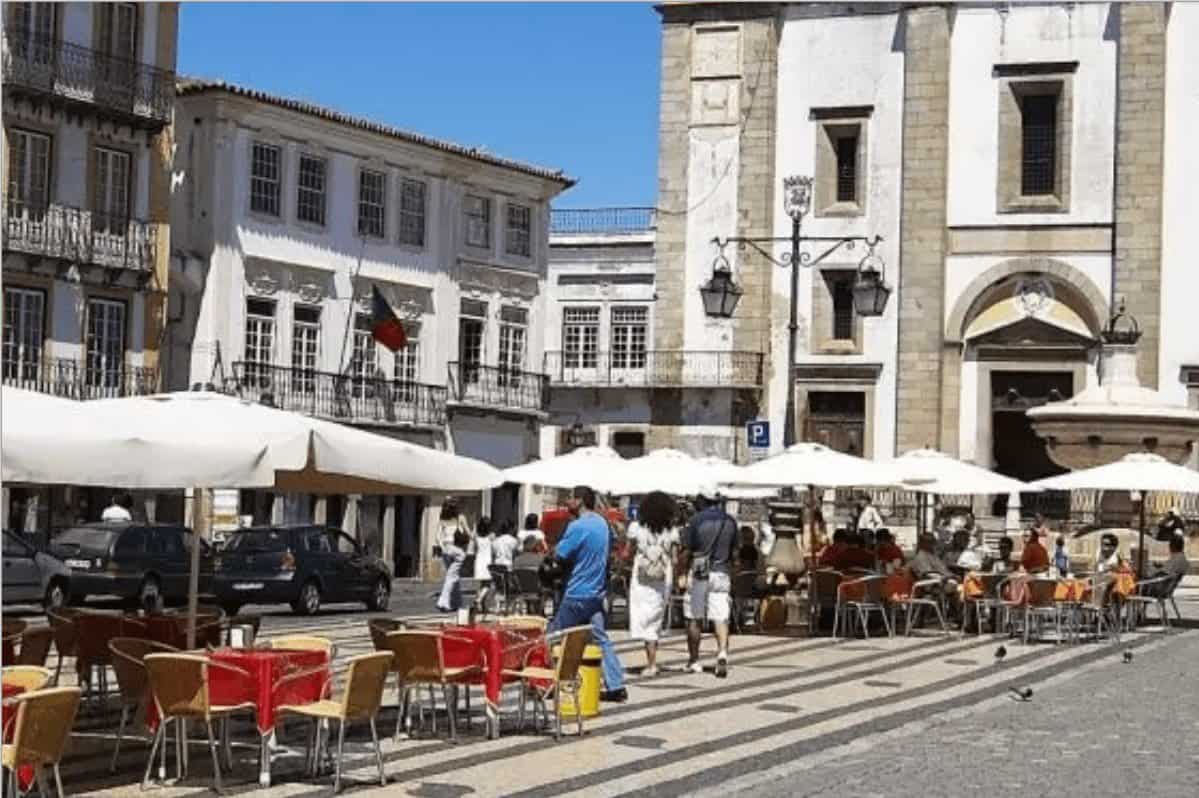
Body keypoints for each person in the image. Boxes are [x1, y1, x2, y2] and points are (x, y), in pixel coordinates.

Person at [546, 485, 626, 702]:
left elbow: (560, 556)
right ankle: (616, 684)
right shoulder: (602, 523)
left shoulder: (578, 526)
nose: (567, 502)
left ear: (580, 501)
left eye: (570, 498)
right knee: (601, 639)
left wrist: (552, 548)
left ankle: (545, 683)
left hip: (576, 593)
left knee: (553, 636)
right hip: (596, 593)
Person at [680, 491, 739, 678]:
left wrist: (680, 573)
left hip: (699, 571)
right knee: (720, 616)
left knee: (694, 616)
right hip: (721, 570)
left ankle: (694, 660)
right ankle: (722, 652)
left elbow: (686, 551)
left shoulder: (696, 521)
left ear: (702, 501)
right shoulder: (730, 522)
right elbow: (735, 555)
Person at [625, 491, 680, 678]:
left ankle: (651, 663)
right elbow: (674, 559)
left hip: (641, 578)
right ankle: (652, 662)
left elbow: (627, 552)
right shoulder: (672, 531)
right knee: (655, 619)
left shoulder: (636, 528)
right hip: (663, 577)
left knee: (643, 615)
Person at [435, 501, 470, 613]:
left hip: (446, 550)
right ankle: (443, 602)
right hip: (457, 550)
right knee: (451, 577)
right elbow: (468, 533)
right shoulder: (460, 518)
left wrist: (443, 547)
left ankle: (457, 603)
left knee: (453, 576)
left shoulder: (442, 521)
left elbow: (437, 537)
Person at [471, 517, 494, 610]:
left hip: (479, 560)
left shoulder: (476, 536)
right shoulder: (492, 536)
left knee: (482, 584)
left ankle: (483, 606)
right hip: (488, 560)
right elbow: (493, 549)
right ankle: (479, 599)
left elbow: (474, 549)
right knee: (488, 584)